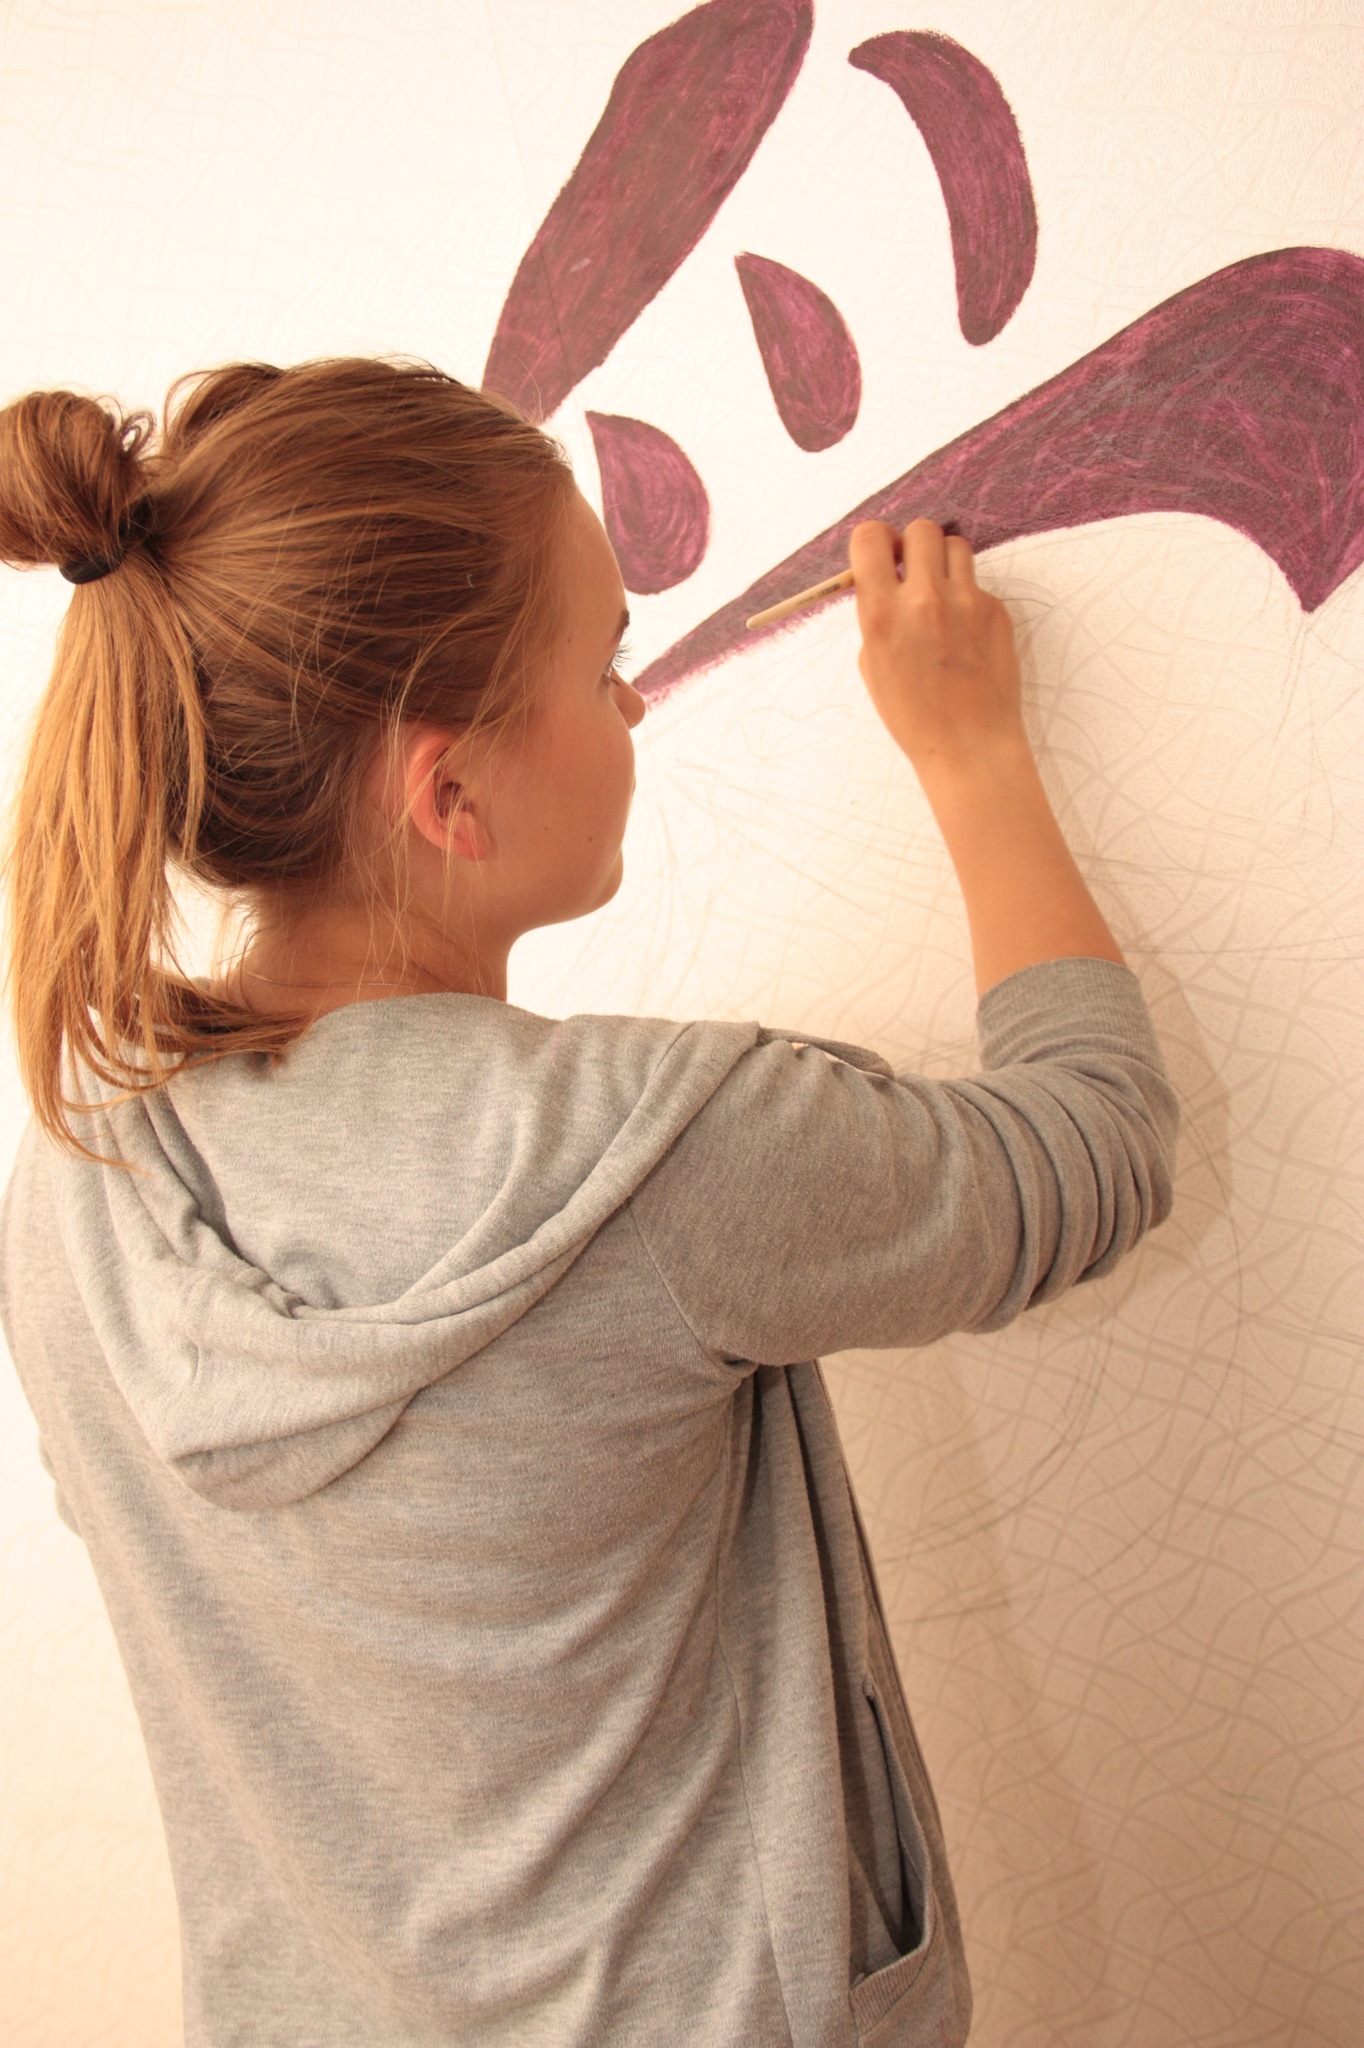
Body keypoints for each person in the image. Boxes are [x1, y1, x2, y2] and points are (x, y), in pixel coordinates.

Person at [0, 357, 1177, 2048]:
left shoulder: (75, 1204)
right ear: (450, 795)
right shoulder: (659, 1155)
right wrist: (974, 753)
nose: (629, 704)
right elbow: (1095, 1148)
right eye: (601, 660)